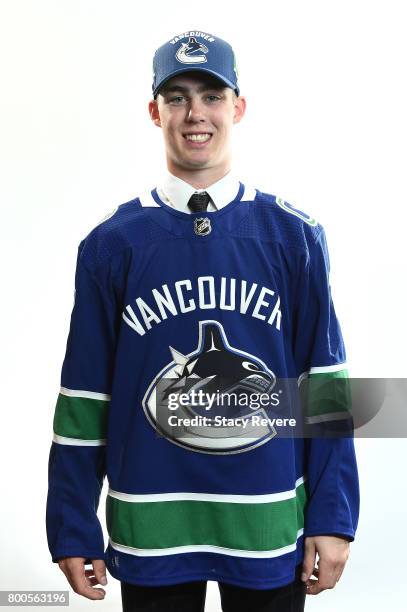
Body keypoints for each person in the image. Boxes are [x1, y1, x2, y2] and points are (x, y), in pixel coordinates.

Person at [46, 30, 360, 611]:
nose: (196, 114)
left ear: (238, 107)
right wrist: (71, 521)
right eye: (177, 97)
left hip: (265, 520)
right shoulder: (113, 245)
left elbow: (325, 384)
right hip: (151, 524)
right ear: (154, 111)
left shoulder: (293, 238)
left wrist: (334, 514)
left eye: (212, 95)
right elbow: (86, 395)